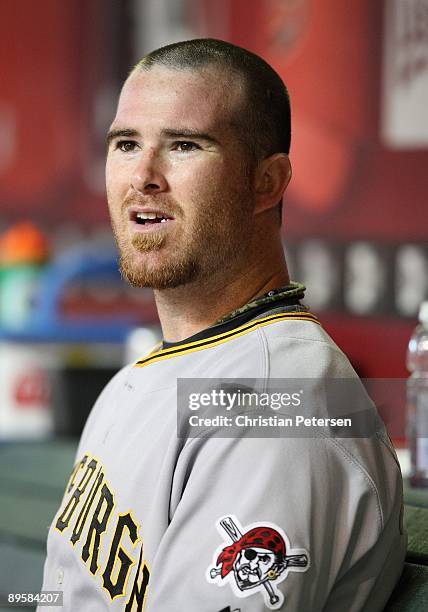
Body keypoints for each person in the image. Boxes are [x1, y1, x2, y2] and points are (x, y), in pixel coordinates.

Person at [39, 39, 406, 611]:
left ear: (268, 181)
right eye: (126, 144)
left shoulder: (276, 400)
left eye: (185, 145)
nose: (143, 176)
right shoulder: (154, 373)